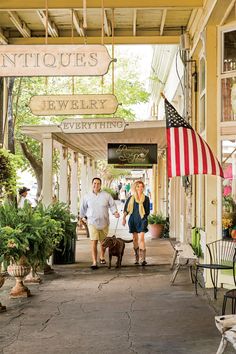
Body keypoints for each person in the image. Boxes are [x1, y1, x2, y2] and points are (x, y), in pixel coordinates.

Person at [79, 177, 120, 269]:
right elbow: (83, 208)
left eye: (98, 183)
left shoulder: (106, 195)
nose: (96, 185)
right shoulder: (86, 196)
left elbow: (112, 205)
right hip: (92, 222)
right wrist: (80, 219)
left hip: (104, 222)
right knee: (94, 241)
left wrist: (115, 212)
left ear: (100, 185)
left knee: (103, 243)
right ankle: (94, 262)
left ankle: (102, 256)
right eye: (94, 183)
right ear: (92, 184)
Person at [122, 180, 150, 266]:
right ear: (135, 187)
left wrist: (143, 217)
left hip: (142, 220)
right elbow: (126, 210)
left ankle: (143, 259)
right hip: (133, 220)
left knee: (141, 238)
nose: (140, 188)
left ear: (143, 188)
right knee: (135, 239)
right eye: (138, 186)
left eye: (142, 187)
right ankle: (136, 257)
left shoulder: (146, 199)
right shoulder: (131, 198)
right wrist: (124, 218)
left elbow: (147, 211)